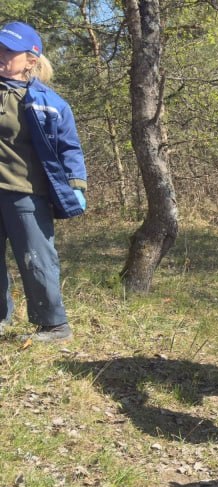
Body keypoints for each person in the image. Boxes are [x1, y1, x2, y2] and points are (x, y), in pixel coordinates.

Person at [0, 21, 87, 343]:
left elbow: (69, 147)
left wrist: (77, 184)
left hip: (27, 193)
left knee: (37, 260)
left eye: (9, 51)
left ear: (30, 60)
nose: (1, 55)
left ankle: (54, 326)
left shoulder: (50, 103)